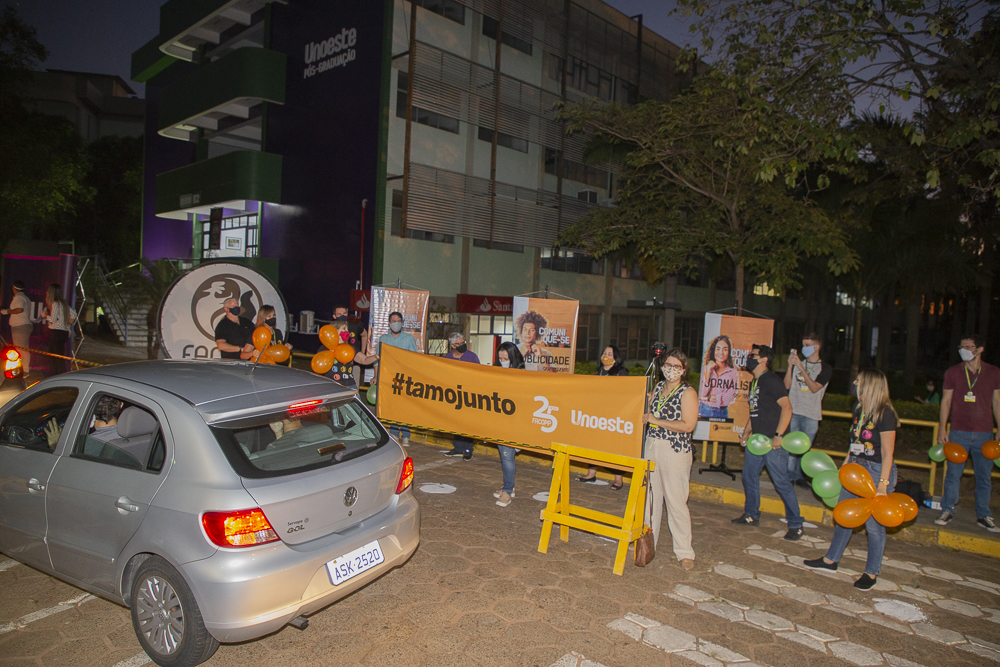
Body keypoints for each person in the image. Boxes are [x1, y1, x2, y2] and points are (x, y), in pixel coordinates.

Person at [805, 369, 899, 590]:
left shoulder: (885, 414)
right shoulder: (858, 408)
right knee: (844, 515)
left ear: (869, 385)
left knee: (874, 526)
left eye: (859, 380)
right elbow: (854, 442)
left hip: (875, 471)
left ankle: (871, 573)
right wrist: (845, 466)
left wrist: (883, 485)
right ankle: (831, 560)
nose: (854, 383)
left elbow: (888, 453)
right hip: (855, 468)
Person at [732, 344, 804, 540]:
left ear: (764, 360)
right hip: (757, 440)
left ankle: (796, 524)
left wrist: (779, 435)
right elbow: (755, 411)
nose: (749, 358)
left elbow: (787, 408)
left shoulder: (771, 381)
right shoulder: (755, 382)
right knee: (749, 476)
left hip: (773, 442)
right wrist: (746, 432)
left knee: (781, 482)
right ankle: (751, 514)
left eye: (753, 355)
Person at [935, 334, 1000, 532]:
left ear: (980, 349)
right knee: (953, 474)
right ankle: (947, 509)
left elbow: (997, 402)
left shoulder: (994, 372)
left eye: (969, 347)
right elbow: (946, 401)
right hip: (958, 432)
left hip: (984, 434)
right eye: (961, 347)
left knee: (984, 476)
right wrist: (942, 427)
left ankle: (984, 514)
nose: (964, 350)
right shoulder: (953, 372)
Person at [642, 348, 698, 570]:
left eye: (676, 366)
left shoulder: (687, 392)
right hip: (652, 446)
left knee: (676, 502)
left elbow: (688, 425)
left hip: (675, 451)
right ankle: (647, 545)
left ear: (683, 370)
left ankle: (684, 552)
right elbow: (648, 415)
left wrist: (657, 420)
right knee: (650, 500)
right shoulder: (657, 388)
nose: (671, 369)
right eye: (668, 365)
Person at [784, 333, 834, 485]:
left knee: (805, 449)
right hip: (794, 411)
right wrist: (790, 366)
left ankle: (800, 477)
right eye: (803, 345)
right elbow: (786, 385)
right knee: (792, 447)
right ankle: (788, 476)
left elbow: (814, 388)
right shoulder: (798, 364)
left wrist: (801, 367)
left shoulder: (825, 368)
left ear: (817, 347)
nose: (804, 348)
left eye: (807, 345)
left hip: (811, 413)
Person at [577, 345, 629, 490]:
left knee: (613, 446)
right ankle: (591, 474)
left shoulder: (621, 373)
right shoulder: (598, 372)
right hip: (597, 414)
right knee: (594, 443)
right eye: (604, 353)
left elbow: (626, 393)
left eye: (610, 354)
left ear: (616, 358)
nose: (606, 356)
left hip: (613, 416)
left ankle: (618, 479)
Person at [378, 311, 419, 446]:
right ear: (389, 323)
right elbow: (378, 360)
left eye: (398, 321)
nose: (396, 324)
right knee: (392, 408)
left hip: (405, 378)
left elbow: (415, 359)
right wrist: (376, 376)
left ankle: (406, 435)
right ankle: (394, 434)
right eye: (393, 321)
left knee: (404, 407)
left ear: (402, 323)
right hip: (389, 378)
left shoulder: (409, 339)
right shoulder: (383, 339)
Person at [494, 342, 524, 508]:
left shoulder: (521, 376)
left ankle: (507, 491)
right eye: (500, 359)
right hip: (500, 420)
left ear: (513, 358)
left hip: (514, 422)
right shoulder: (497, 372)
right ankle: (508, 487)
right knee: (505, 454)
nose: (502, 362)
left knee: (507, 455)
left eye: (506, 359)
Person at [443, 332, 480, 460]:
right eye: (459, 343)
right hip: (453, 396)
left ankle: (468, 449)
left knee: (467, 424)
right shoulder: (447, 359)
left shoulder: (472, 357)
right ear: (453, 345)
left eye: (463, 342)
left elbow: (479, 374)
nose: (463, 345)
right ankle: (458, 448)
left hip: (469, 395)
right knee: (454, 423)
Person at [699, 335, 739, 419]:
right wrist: (708, 370)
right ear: (713, 351)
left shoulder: (733, 373)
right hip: (704, 410)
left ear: (729, 352)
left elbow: (730, 397)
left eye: (725, 349)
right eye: (718, 349)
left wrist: (708, 398)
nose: (721, 352)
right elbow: (702, 393)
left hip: (722, 412)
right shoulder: (705, 369)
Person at [1, 281, 34, 377]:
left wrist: (6, 312)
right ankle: (24, 369)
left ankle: (25, 370)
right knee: (23, 348)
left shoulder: (19, 298)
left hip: (21, 326)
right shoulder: (24, 298)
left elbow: (20, 309)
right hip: (23, 326)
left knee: (21, 349)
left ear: (13, 288)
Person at [42, 284, 76, 375]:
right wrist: (68, 325)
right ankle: (57, 374)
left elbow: (53, 320)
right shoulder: (63, 303)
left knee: (54, 356)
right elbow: (73, 315)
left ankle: (56, 375)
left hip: (56, 332)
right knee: (58, 355)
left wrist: (45, 315)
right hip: (63, 332)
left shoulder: (55, 303)